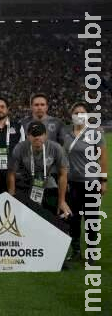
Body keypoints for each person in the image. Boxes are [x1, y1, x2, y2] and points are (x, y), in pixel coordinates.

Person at [63, 102, 108, 262]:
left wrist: (103, 180)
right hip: (71, 183)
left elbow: (103, 158)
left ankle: (91, 251)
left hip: (91, 182)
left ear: (87, 115)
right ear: (71, 115)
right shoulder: (66, 134)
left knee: (91, 218)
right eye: (76, 113)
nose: (79, 115)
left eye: (82, 112)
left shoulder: (96, 133)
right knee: (73, 219)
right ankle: (75, 250)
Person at [7, 121, 72, 232]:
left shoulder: (55, 148)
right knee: (26, 223)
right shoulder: (20, 148)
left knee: (57, 218)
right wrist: (11, 195)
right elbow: (11, 172)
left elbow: (63, 174)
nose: (37, 137)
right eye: (33, 134)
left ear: (45, 135)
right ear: (28, 136)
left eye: (40, 134)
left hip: (48, 186)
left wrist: (62, 201)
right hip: (27, 187)